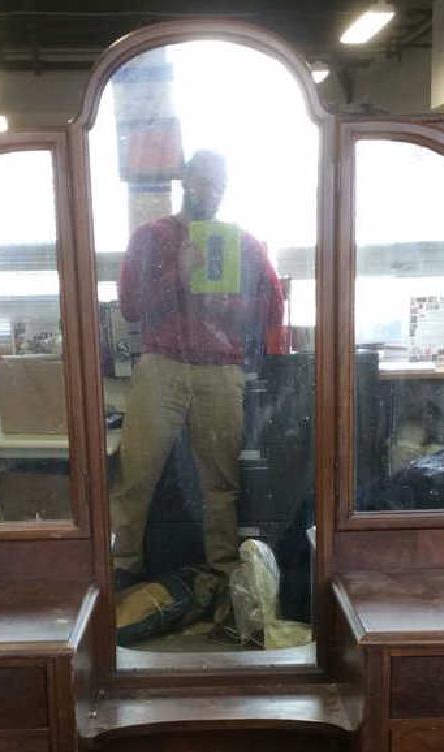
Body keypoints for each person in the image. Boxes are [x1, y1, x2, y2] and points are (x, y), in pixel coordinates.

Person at [111, 149, 284, 586]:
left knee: (221, 485)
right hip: (161, 365)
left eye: (220, 183)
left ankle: (223, 571)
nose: (211, 190)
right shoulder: (152, 238)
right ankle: (121, 564)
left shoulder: (242, 243)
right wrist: (179, 277)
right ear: (185, 180)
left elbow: (271, 309)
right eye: (204, 180)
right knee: (136, 474)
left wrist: (229, 302)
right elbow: (131, 308)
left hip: (220, 370)